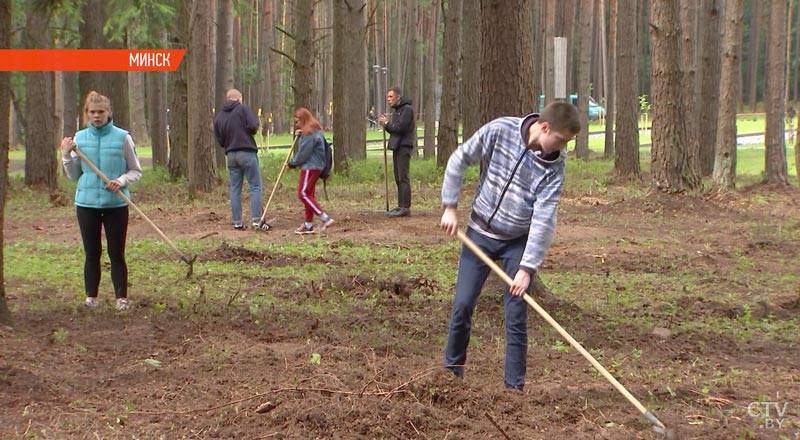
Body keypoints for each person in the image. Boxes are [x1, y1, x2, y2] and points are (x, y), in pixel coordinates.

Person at [438, 102, 581, 391]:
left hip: (517, 242)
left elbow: (544, 218)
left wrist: (527, 268)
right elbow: (459, 158)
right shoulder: (501, 130)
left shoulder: (555, 168)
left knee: (516, 312)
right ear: (544, 127)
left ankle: (513, 390)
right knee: (463, 304)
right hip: (478, 233)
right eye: (562, 139)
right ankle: (450, 377)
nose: (564, 147)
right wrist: (450, 207)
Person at [60, 91, 143, 310]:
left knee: (116, 252)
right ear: (87, 114)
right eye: (92, 112)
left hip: (116, 204)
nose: (96, 116)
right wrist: (66, 156)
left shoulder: (122, 137)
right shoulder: (80, 139)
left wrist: (121, 180)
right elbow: (74, 175)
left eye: (100, 112)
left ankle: (121, 298)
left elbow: (136, 170)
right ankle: (91, 298)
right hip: (86, 204)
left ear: (108, 113)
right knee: (92, 252)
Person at [213, 88, 264, 230]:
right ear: (239, 98)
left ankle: (237, 222)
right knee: (255, 186)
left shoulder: (219, 116)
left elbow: (220, 139)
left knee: (235, 188)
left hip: (231, 155)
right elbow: (253, 126)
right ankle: (256, 219)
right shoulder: (243, 109)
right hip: (246, 152)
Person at [287, 107, 335, 234]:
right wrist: (301, 133)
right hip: (315, 166)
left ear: (303, 120)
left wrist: (292, 163)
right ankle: (308, 224)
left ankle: (324, 217)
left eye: (297, 121)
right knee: (309, 194)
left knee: (302, 194)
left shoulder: (309, 134)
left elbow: (303, 153)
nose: (297, 124)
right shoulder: (313, 131)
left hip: (310, 166)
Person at [378, 86, 415, 217]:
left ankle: (405, 207)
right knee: (398, 177)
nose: (388, 100)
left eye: (390, 97)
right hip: (397, 146)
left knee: (403, 177)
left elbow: (400, 128)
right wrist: (386, 125)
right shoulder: (398, 111)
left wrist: (387, 123)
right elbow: (394, 129)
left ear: (398, 97)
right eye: (387, 97)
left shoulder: (407, 110)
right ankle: (400, 205)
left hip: (404, 146)